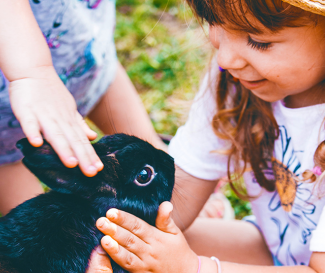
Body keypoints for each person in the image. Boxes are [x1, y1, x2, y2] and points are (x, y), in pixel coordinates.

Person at [87, 0, 325, 272]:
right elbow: (180, 189)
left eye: (258, 40)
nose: (225, 58)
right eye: (214, 21)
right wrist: (97, 240)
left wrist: (194, 268)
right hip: (273, 249)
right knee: (132, 249)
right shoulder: (236, 81)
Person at [0, 0, 164, 215]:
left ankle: (156, 162)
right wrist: (33, 72)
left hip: (76, 36)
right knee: (35, 227)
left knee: (94, 68)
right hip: (11, 94)